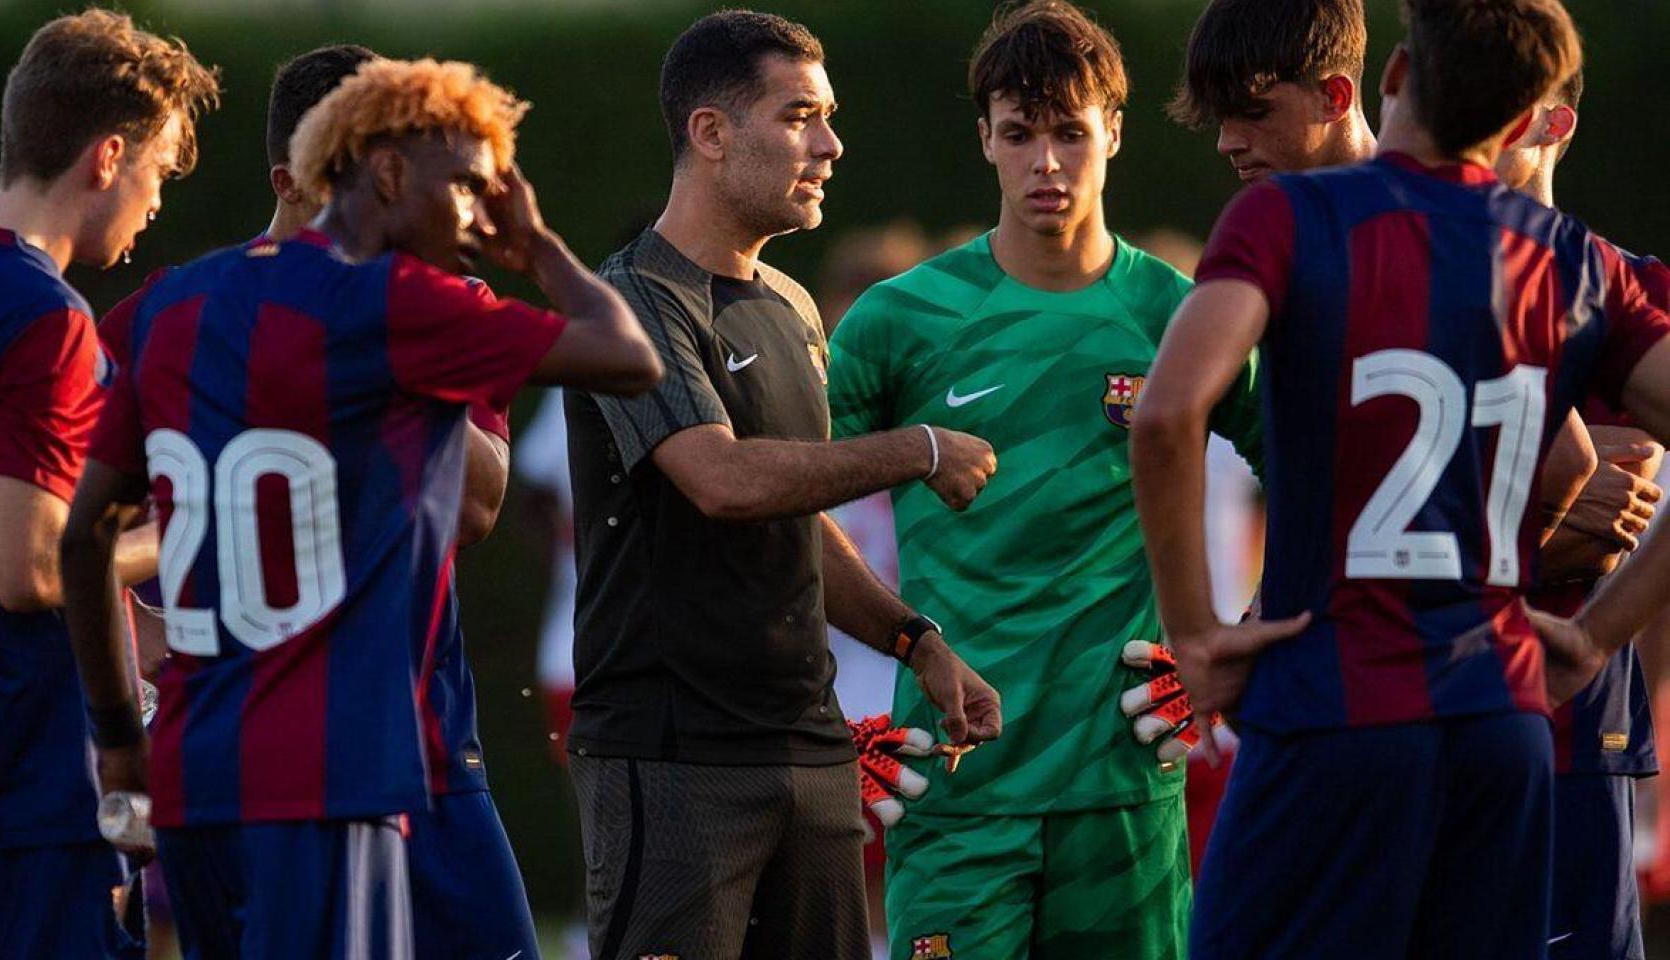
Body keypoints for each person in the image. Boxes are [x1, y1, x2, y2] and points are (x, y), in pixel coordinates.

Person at [60, 56, 659, 959]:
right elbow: (629, 355)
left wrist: (117, 732)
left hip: (204, 760)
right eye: (461, 185)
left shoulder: (177, 304)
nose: (472, 212)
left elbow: (78, 538)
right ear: (379, 171)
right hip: (340, 761)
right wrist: (532, 246)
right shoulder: (395, 304)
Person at [1134, 0, 1670, 954]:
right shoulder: (1570, 256)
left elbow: (1169, 414)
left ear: (1390, 78)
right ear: (1520, 120)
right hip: (1503, 720)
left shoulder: (1294, 215)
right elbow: (1576, 467)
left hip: (1336, 702)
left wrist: (1198, 635)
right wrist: (1592, 638)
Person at [563, 11, 1003, 960]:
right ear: (712, 134)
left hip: (809, 748)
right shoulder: (631, 300)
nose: (831, 143)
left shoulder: (795, 304)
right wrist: (916, 448)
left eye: (830, 115)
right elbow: (720, 480)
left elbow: (793, 518)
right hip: (673, 755)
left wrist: (913, 639)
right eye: (800, 115)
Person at [826, 4, 1257, 956]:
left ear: (1115, 130)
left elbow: (1315, 478)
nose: (1046, 163)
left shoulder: (1178, 311)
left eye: (1070, 132)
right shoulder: (900, 320)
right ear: (985, 139)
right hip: (952, 782)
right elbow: (776, 501)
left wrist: (1233, 643)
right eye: (1020, 135)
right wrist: (825, 710)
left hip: (1125, 791)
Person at [0, 10, 214, 958]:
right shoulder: (47, 318)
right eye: (157, 168)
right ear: (108, 157)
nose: (157, 200)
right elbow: (25, 569)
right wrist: (187, 526)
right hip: (20, 780)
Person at [1494, 68, 1669, 959]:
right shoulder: (1401, 276)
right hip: (1413, 714)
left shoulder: (1630, 289)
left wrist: (1601, 633)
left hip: (1574, 728)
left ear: (1554, 121)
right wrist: (1547, 522)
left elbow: (1642, 489)